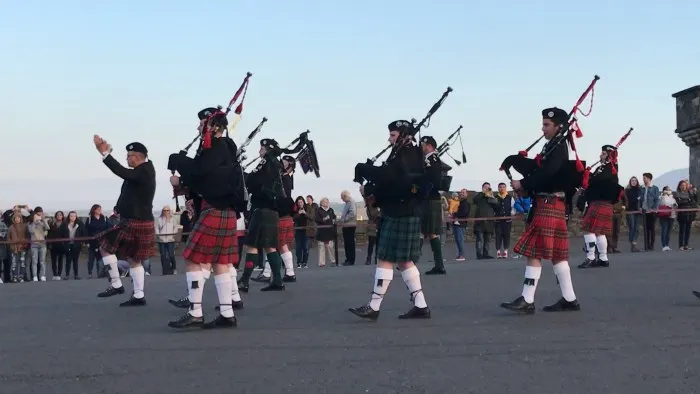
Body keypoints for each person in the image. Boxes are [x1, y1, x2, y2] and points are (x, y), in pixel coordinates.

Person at [167, 107, 245, 329]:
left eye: (202, 123)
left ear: (213, 126)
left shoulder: (217, 147)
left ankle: (195, 311)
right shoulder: (226, 148)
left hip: (215, 210)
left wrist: (179, 161)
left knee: (192, 258)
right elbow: (206, 177)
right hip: (225, 210)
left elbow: (199, 172)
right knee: (221, 262)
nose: (199, 127)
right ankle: (227, 313)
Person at [501, 107, 581, 313]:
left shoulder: (559, 146)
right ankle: (569, 298)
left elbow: (547, 172)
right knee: (557, 255)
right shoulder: (553, 146)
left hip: (548, 204)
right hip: (551, 204)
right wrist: (516, 163)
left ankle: (527, 299)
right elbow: (541, 169)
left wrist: (524, 183)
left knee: (534, 251)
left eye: (547, 125)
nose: (543, 128)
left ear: (559, 127)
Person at [349, 120, 431, 320]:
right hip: (403, 210)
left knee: (385, 257)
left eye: (393, 135)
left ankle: (374, 307)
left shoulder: (405, 154)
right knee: (404, 261)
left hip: (399, 212)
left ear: (403, 135)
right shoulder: (409, 154)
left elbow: (391, 180)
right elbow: (392, 179)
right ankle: (420, 305)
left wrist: (367, 179)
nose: (389, 138)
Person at [93, 136, 156, 306]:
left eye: (129, 156)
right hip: (140, 220)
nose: (127, 159)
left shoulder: (143, 171)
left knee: (105, 246)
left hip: (134, 221)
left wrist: (105, 154)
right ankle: (138, 295)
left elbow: (122, 172)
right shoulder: (143, 171)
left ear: (137, 156)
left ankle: (116, 283)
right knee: (134, 258)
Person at [237, 139, 289, 292]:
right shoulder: (277, 165)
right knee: (270, 246)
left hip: (261, 207)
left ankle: (245, 280)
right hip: (272, 210)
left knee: (252, 246)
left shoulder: (266, 162)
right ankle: (278, 281)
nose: (259, 150)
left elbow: (253, 180)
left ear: (267, 149)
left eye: (262, 148)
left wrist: (242, 175)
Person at [252, 155, 298, 284]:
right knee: (278, 245)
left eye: (283, 161)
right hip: (284, 214)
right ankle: (288, 272)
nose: (280, 162)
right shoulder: (286, 178)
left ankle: (271, 273)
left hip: (279, 213)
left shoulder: (284, 179)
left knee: (272, 244)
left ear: (289, 165)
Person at [577, 145, 621, 268]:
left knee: (588, 229)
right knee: (600, 233)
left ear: (608, 155)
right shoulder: (604, 168)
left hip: (599, 202)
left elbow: (597, 182)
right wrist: (586, 174)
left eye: (602, 154)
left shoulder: (609, 168)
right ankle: (603, 258)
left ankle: (590, 257)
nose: (600, 156)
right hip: (603, 203)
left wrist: (587, 177)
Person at [418, 136, 448, 275]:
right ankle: (439, 265)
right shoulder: (431, 160)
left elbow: (432, 181)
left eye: (422, 145)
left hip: (430, 198)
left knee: (426, 231)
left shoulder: (431, 160)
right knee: (429, 232)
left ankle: (411, 261)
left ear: (429, 146)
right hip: (431, 199)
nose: (421, 147)